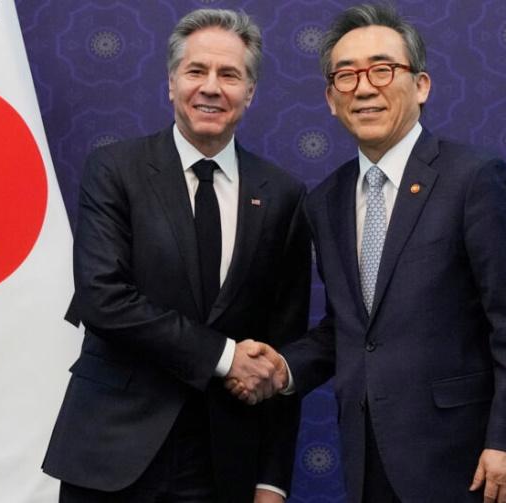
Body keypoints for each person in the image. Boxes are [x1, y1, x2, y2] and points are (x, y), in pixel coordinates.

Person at [228, 4, 506, 503]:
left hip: (465, 462)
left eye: (382, 69)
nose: (364, 87)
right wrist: (284, 370)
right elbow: (350, 328)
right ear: (331, 99)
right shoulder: (325, 201)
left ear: (421, 85)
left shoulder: (473, 179)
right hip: (365, 457)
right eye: (347, 75)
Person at [42, 8, 310, 503]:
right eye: (196, 71)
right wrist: (226, 357)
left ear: (249, 92)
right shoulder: (115, 170)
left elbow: (281, 347)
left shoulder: (284, 196)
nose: (211, 87)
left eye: (229, 74)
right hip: (111, 452)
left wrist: (272, 480)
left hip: (222, 464)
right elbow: (103, 299)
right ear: (171, 84)